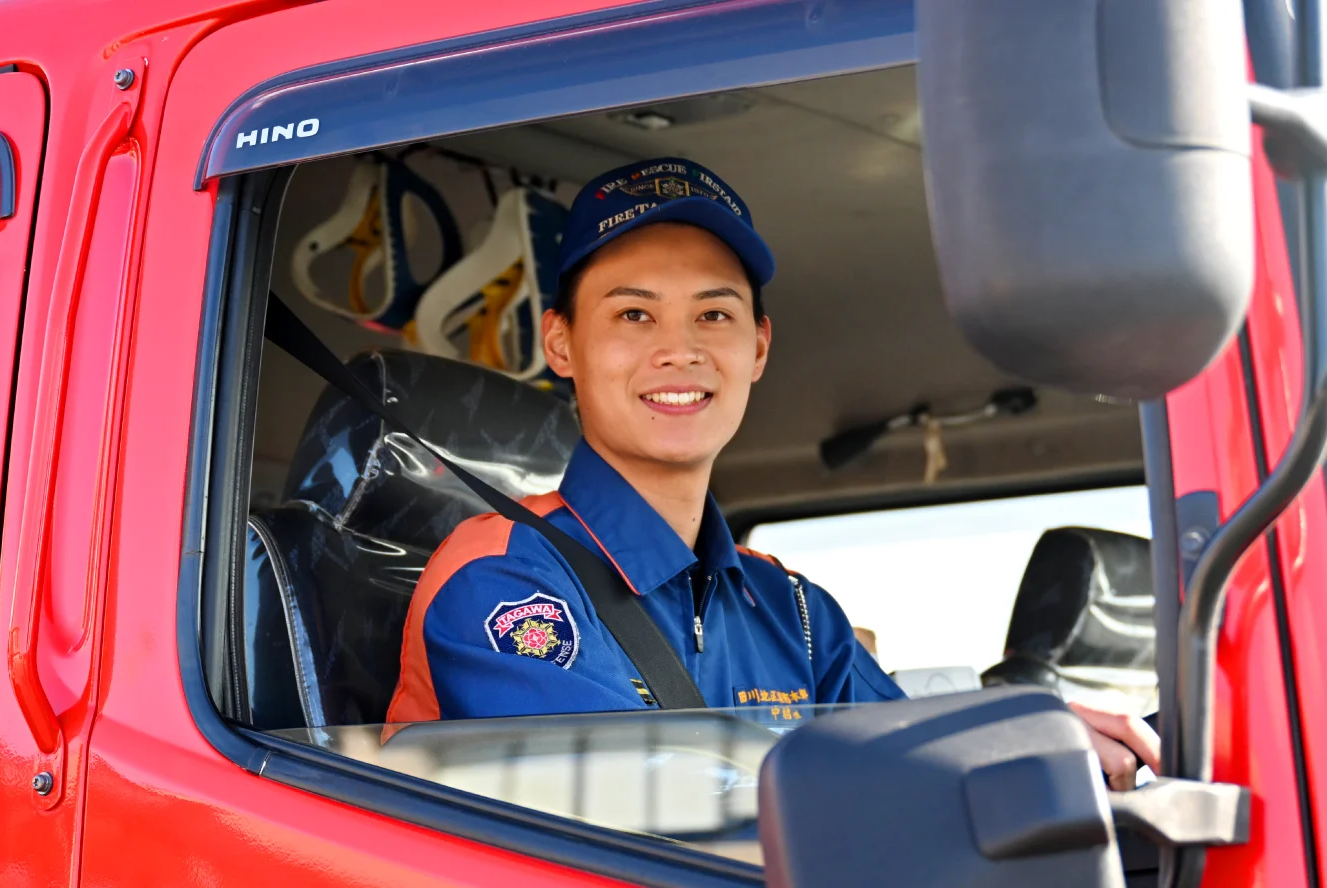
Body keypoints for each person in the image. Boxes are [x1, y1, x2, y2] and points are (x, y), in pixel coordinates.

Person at [383, 157, 1160, 789]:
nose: (679, 350)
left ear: (757, 348)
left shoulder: (793, 611)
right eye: (633, 314)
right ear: (560, 345)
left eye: (713, 314)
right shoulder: (505, 581)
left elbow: (913, 752)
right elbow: (637, 812)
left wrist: (1023, 737)